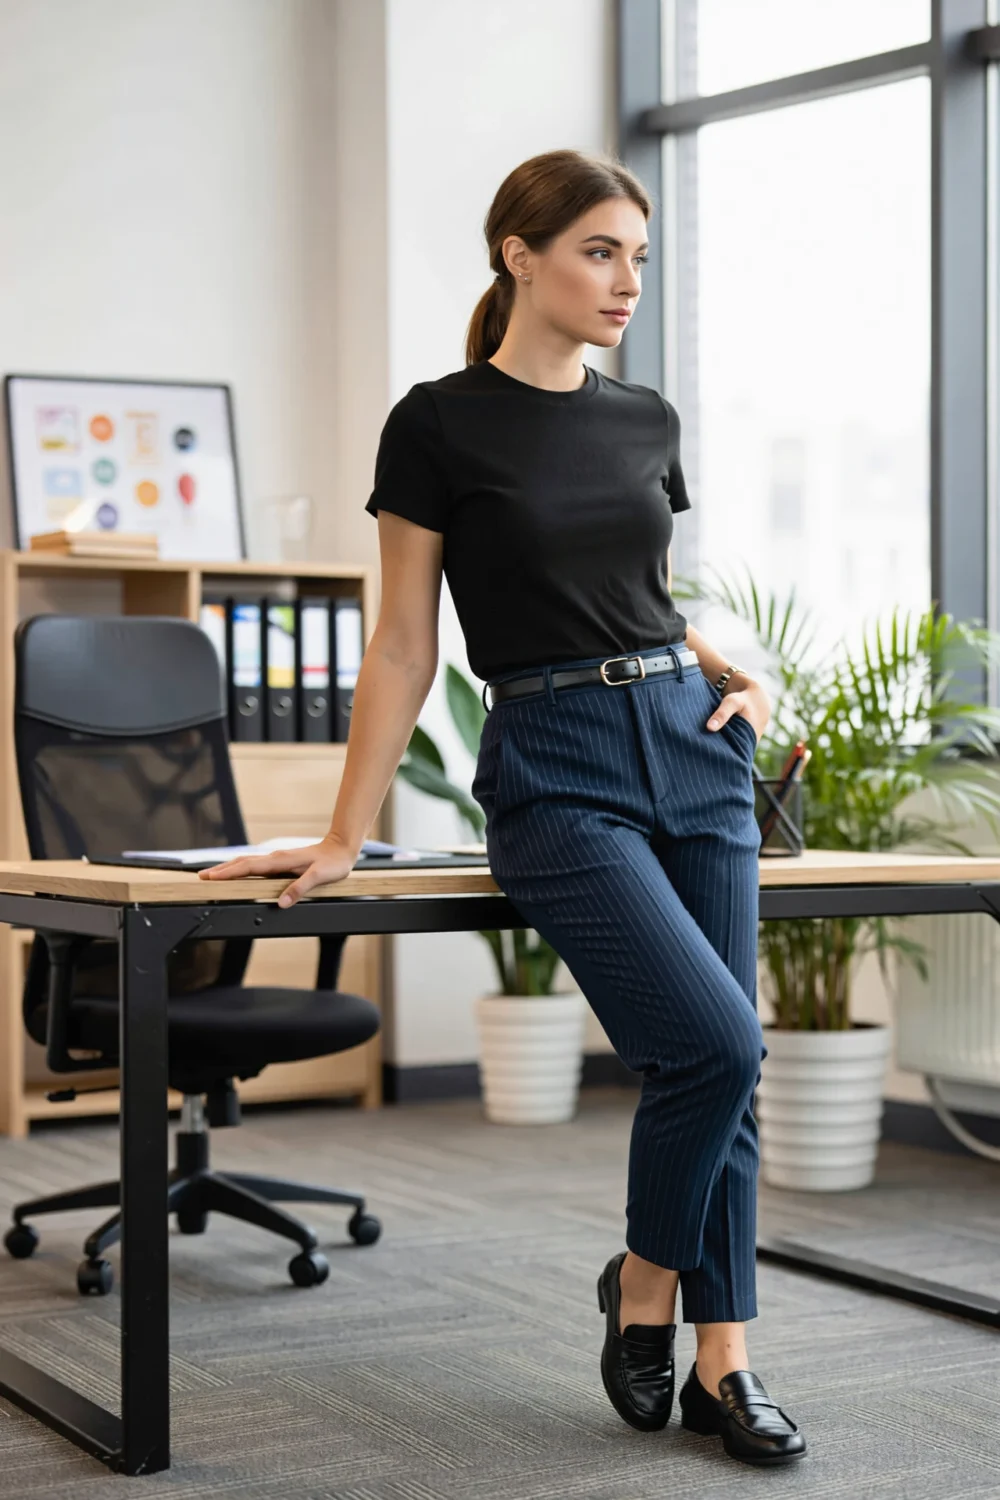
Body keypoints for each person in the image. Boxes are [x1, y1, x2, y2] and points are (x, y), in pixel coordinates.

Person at [200, 147, 806, 1467]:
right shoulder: (437, 423)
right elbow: (407, 645)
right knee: (717, 1046)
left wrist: (723, 668)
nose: (626, 279)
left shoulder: (647, 418)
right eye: (600, 250)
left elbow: (636, 592)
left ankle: (725, 1361)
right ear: (518, 256)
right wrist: (348, 832)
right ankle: (644, 1289)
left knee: (725, 1071)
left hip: (693, 748)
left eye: (639, 256)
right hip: (557, 762)